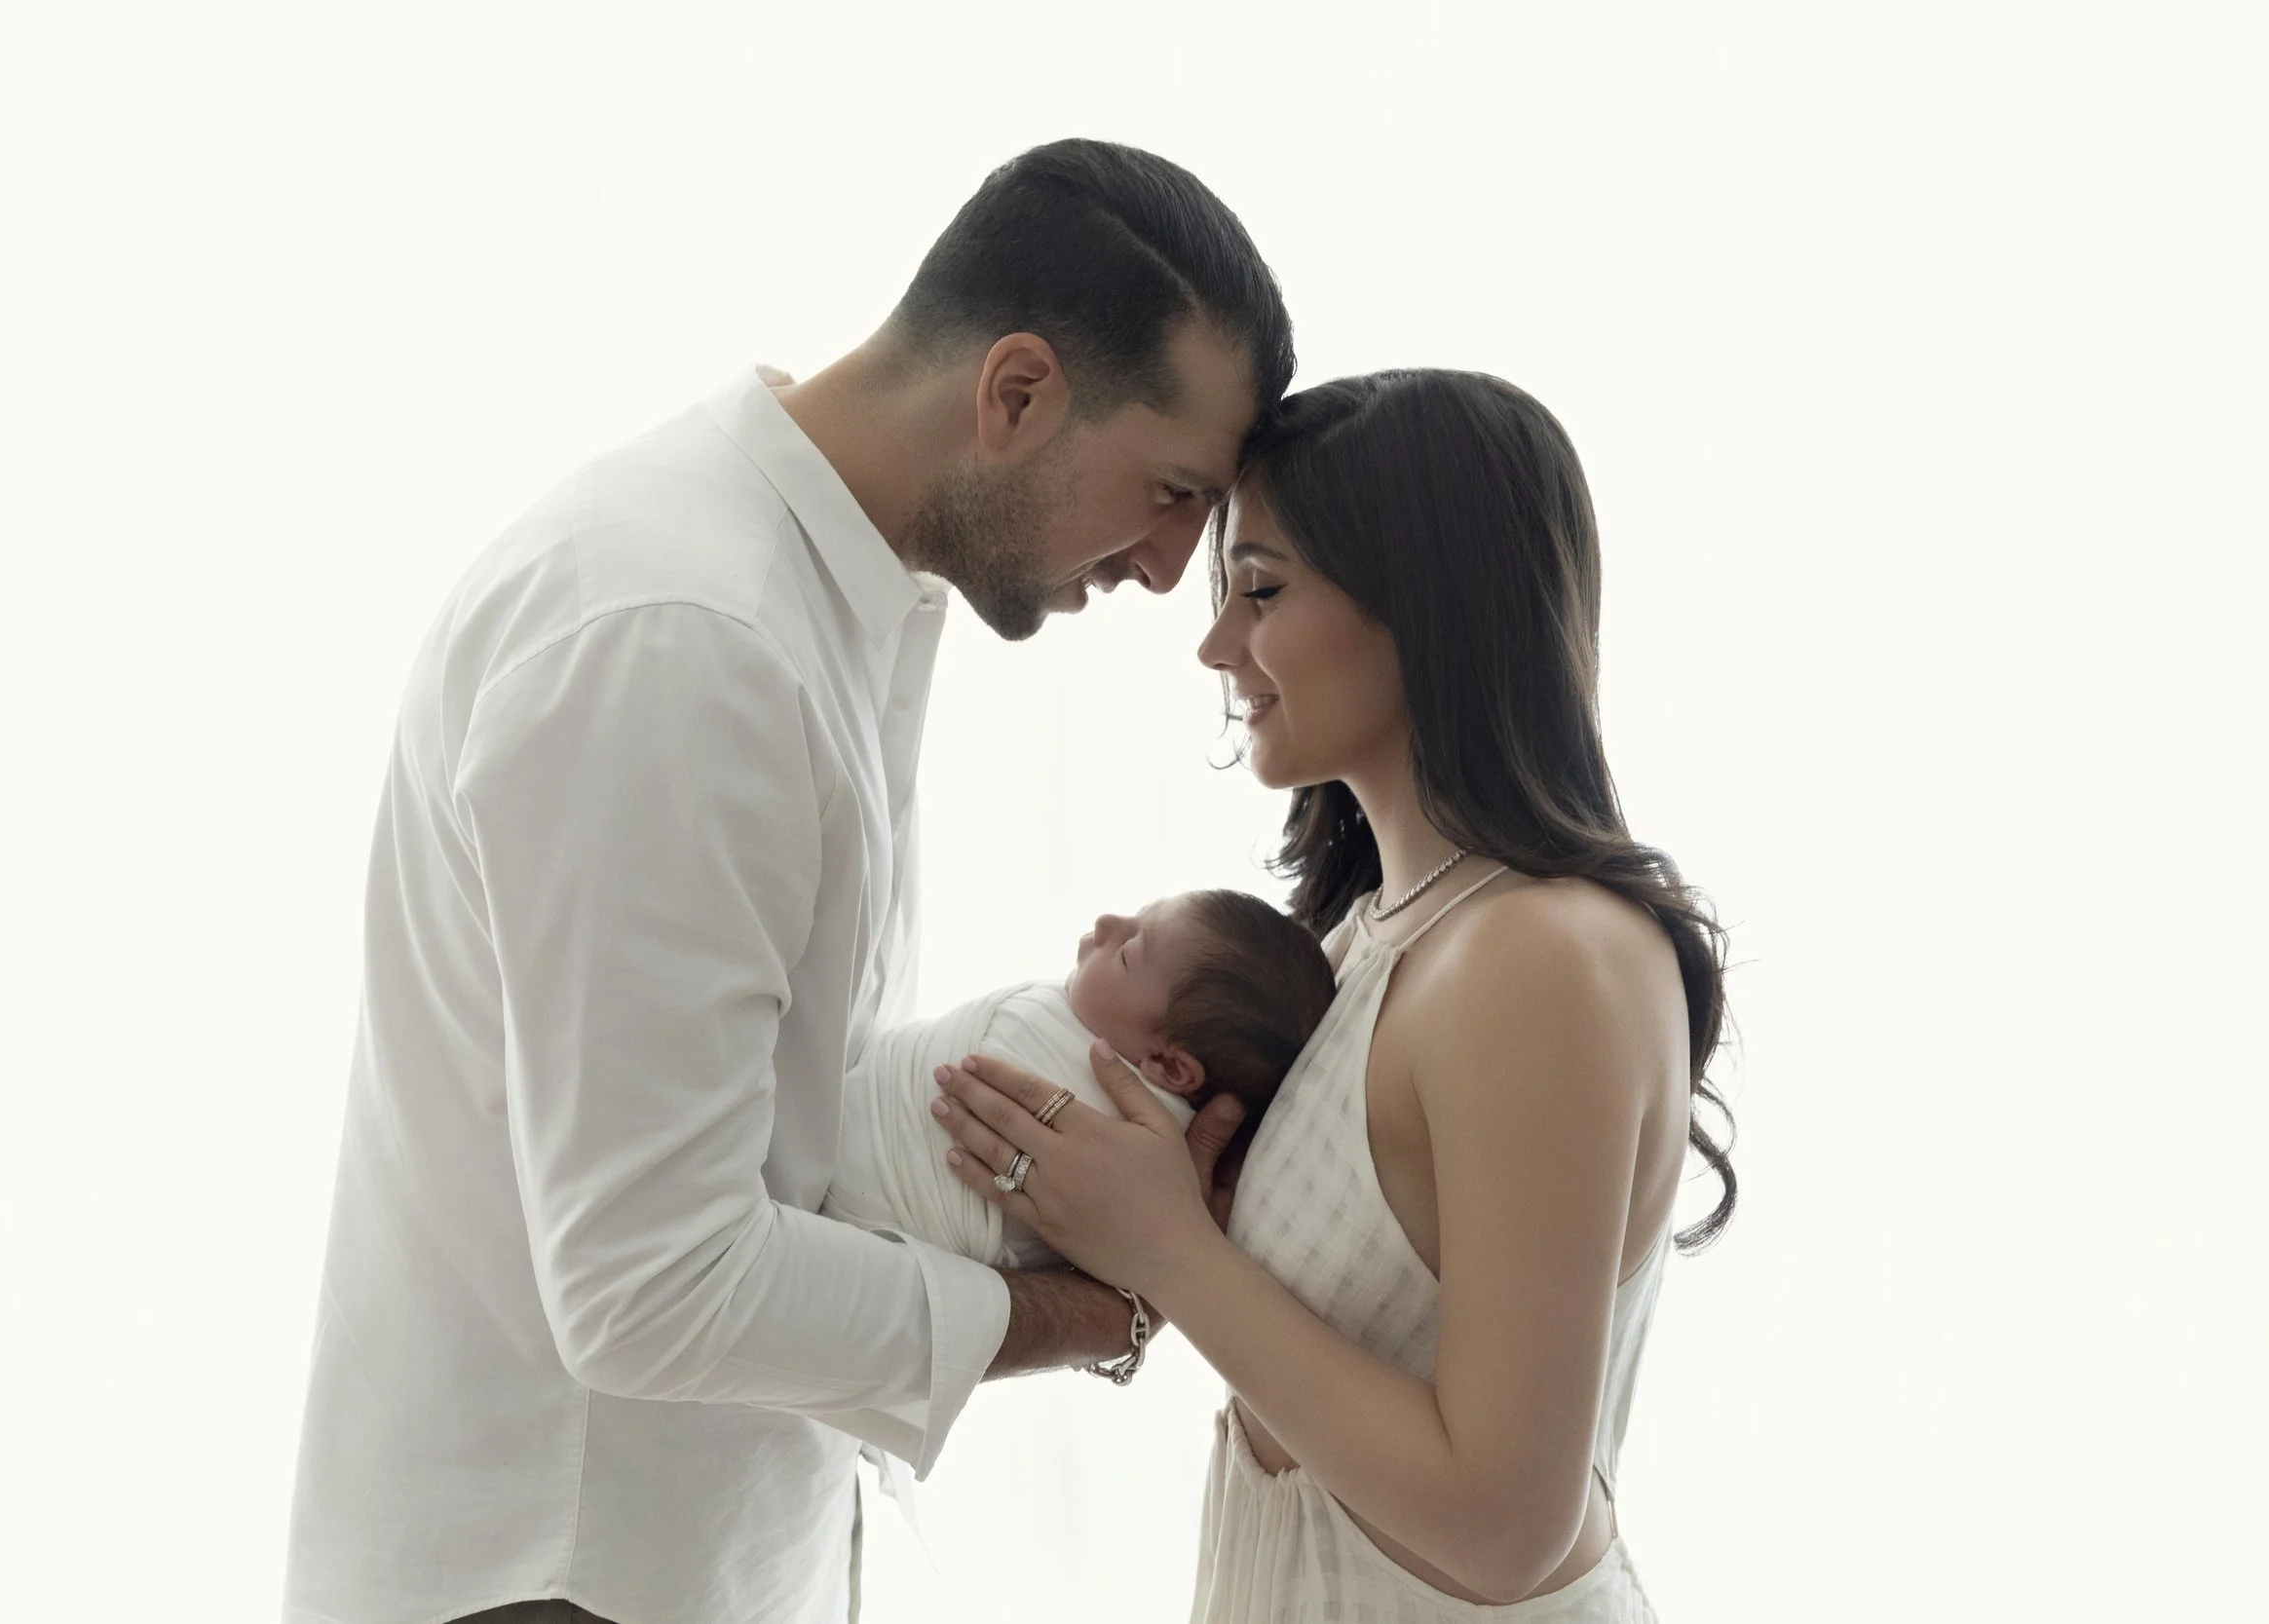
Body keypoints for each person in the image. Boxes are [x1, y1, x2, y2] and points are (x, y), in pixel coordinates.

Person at [282, 139, 1293, 1624]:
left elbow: (769, 1147)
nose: (1165, 569)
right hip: (562, 1573)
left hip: (669, 1552)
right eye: (1167, 491)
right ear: (1015, 392)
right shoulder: (687, 636)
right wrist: (1104, 1300)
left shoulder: (801, 603)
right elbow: (653, 1284)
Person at [933, 369, 1737, 1621]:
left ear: (1432, 603)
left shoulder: (1535, 958)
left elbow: (1503, 1527)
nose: (1214, 644)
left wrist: (1167, 1246)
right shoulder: (1368, 936)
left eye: (1260, 589)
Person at [823, 888, 1335, 1269]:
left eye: (1130, 952)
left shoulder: (1137, 1152)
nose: (1107, 922)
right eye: (1135, 917)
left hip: (865, 1220)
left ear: (1169, 1067)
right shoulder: (1096, 1032)